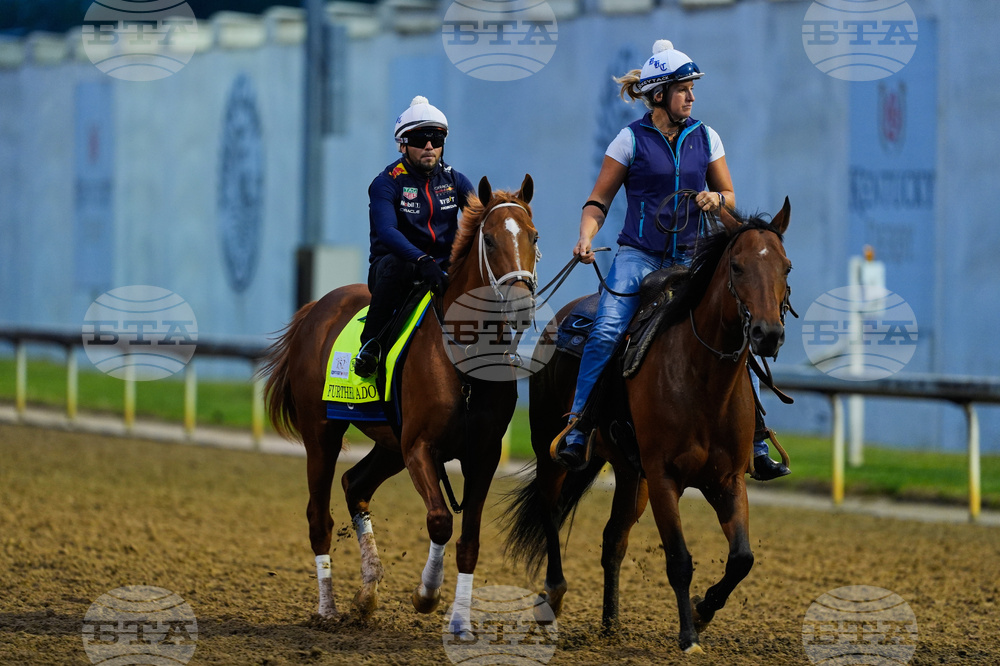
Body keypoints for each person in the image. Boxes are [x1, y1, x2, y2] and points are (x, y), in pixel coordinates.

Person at [553, 40, 790, 481]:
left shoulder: (708, 136)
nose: (692, 96)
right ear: (660, 93)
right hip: (637, 257)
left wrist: (714, 198)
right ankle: (579, 426)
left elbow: (730, 201)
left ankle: (756, 440)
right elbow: (597, 201)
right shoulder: (628, 140)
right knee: (605, 329)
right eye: (684, 88)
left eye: (693, 88)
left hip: (691, 260)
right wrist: (586, 237)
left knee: (737, 330)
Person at [353, 96, 475, 379]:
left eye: (436, 137)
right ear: (403, 143)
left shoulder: (455, 180)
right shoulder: (387, 182)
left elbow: (480, 220)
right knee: (400, 264)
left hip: (443, 271)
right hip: (396, 268)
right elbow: (387, 232)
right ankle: (369, 346)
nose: (430, 145)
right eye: (420, 139)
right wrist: (422, 259)